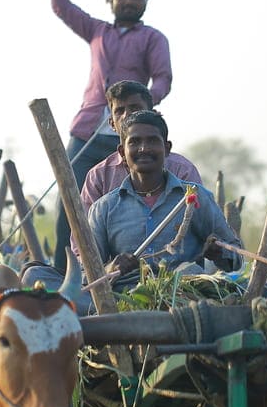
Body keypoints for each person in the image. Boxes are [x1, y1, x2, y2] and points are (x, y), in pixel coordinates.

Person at [50, 0, 172, 271]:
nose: (129, 1)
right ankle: (66, 274)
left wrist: (143, 106)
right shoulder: (97, 31)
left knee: (123, 203)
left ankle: (118, 272)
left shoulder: (152, 38)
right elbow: (61, 6)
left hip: (131, 134)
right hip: (89, 131)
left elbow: (163, 78)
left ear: (143, 2)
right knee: (71, 203)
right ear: (113, 0)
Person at [88, 110, 241, 291]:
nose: (143, 148)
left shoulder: (193, 197)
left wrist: (219, 253)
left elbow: (236, 260)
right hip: (125, 307)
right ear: (122, 151)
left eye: (152, 141)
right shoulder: (104, 209)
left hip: (185, 301)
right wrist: (110, 269)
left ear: (167, 148)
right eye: (134, 142)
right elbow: (85, 276)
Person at [80, 81, 202, 209]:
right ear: (111, 123)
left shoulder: (182, 170)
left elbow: (201, 221)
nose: (127, 115)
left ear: (153, 115)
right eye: (119, 111)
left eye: (135, 108)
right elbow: (86, 228)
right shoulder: (99, 176)